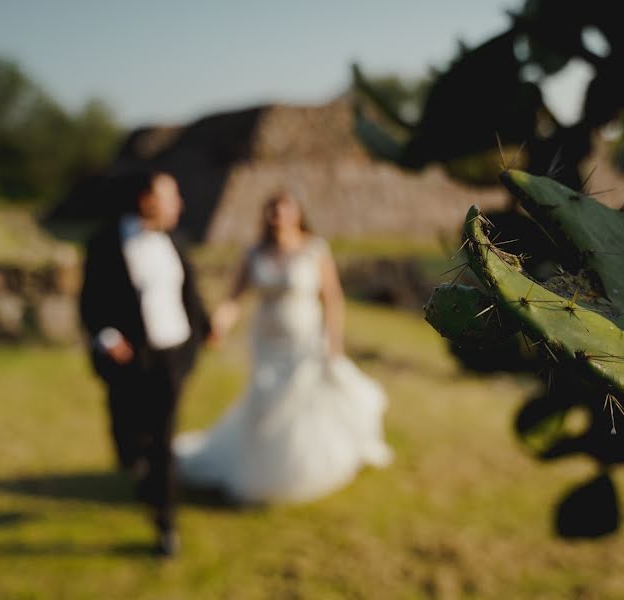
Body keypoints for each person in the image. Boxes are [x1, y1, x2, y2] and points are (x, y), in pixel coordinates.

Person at [175, 190, 392, 504]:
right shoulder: (253, 253)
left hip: (305, 341)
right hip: (266, 342)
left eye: (283, 210)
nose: (277, 216)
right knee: (265, 403)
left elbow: (331, 298)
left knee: (301, 403)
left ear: (297, 214)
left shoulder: (315, 250)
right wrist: (219, 324)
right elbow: (234, 297)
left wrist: (334, 342)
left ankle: (304, 469)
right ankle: (263, 471)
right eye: (271, 210)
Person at [79, 171, 210, 556]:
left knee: (163, 438)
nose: (179, 205)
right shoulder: (104, 243)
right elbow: (90, 301)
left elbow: (190, 292)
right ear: (145, 200)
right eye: (171, 197)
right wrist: (107, 336)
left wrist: (204, 329)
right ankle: (137, 464)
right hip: (131, 358)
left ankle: (165, 523)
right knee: (131, 432)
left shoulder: (175, 241)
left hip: (173, 354)